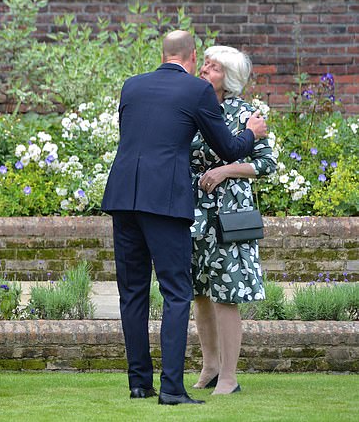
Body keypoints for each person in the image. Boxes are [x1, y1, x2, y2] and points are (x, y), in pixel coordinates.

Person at [100, 30, 268, 405]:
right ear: (192, 56)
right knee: (176, 292)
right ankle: (172, 388)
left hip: (123, 197)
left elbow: (135, 137)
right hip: (165, 201)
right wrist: (250, 133)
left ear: (163, 53)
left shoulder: (132, 86)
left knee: (133, 293)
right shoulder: (197, 91)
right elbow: (227, 147)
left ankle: (139, 384)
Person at [189, 46, 276, 395]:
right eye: (206, 64)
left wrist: (226, 170)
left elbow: (267, 164)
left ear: (231, 79)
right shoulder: (192, 109)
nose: (206, 69)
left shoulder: (246, 114)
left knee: (226, 295)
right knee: (199, 294)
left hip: (230, 216)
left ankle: (229, 376)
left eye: (214, 68)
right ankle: (210, 366)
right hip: (194, 214)